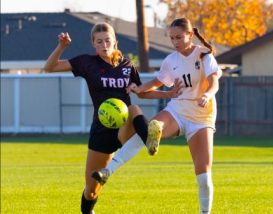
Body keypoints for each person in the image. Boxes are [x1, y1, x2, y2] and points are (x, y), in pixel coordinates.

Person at [44, 22, 182, 214]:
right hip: (101, 129)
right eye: (99, 41)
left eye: (108, 40)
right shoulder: (87, 62)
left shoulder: (127, 65)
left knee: (133, 107)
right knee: (91, 191)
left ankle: (149, 140)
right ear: (93, 43)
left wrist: (169, 94)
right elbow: (49, 68)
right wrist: (62, 46)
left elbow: (141, 92)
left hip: (124, 128)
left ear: (115, 41)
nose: (104, 45)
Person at [92, 18, 222, 214]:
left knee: (203, 174)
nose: (175, 42)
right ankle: (107, 171)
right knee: (147, 130)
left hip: (201, 118)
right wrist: (138, 88)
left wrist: (207, 94)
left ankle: (205, 212)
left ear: (189, 35)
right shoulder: (171, 60)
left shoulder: (204, 55)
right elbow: (156, 82)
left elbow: (215, 83)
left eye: (179, 37)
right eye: (172, 38)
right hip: (177, 111)